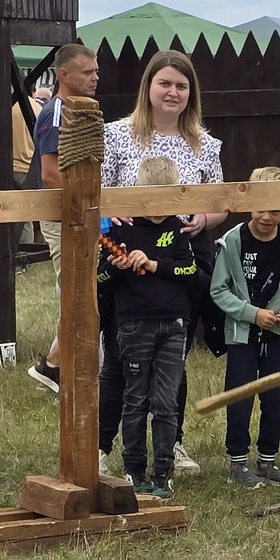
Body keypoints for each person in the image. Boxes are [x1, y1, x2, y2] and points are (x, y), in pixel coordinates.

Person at [97, 49, 225, 478]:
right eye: (165, 83)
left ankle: (174, 442)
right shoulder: (116, 135)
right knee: (118, 351)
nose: (172, 92)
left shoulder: (205, 144)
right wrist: (108, 214)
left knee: (175, 349)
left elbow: (220, 202)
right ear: (148, 87)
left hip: (182, 253)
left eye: (181, 86)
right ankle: (102, 444)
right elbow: (92, 192)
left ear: (192, 93)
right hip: (125, 252)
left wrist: (203, 218)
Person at [103, 156, 198, 500]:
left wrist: (154, 264)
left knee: (166, 401)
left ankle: (163, 473)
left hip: (174, 323)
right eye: (152, 198)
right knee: (135, 399)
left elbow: (192, 272)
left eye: (166, 198)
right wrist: (117, 264)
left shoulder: (178, 228)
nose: (159, 208)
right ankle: (133, 470)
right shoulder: (120, 228)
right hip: (133, 324)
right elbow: (100, 276)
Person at [210, 168, 280, 488]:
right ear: (248, 202)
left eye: (276, 210)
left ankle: (267, 461)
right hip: (242, 335)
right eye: (261, 208)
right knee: (240, 397)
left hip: (279, 334)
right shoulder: (233, 241)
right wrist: (252, 314)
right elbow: (219, 290)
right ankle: (238, 463)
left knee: (276, 396)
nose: (267, 216)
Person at [28, 41, 102, 394]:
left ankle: (59, 363)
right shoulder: (57, 112)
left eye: (96, 71)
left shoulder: (76, 107)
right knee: (76, 290)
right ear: (64, 74)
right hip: (64, 217)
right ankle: (58, 365)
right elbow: (52, 173)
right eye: (88, 72)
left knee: (85, 287)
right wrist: (87, 201)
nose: (95, 77)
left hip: (78, 213)